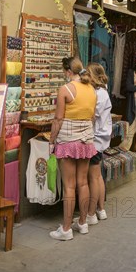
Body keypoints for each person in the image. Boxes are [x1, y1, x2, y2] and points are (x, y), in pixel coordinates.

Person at [48, 57, 97, 240]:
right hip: (86, 139)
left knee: (69, 185)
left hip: (68, 139)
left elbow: (58, 119)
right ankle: (82, 223)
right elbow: (92, 117)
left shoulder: (65, 89)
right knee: (82, 182)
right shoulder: (91, 89)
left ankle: (66, 229)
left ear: (68, 71)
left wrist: (52, 141)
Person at [84, 62, 111, 225]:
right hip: (100, 138)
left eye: (87, 73)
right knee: (97, 176)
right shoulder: (101, 91)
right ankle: (101, 210)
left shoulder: (99, 93)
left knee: (93, 177)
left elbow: (92, 114)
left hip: (95, 138)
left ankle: (91, 213)